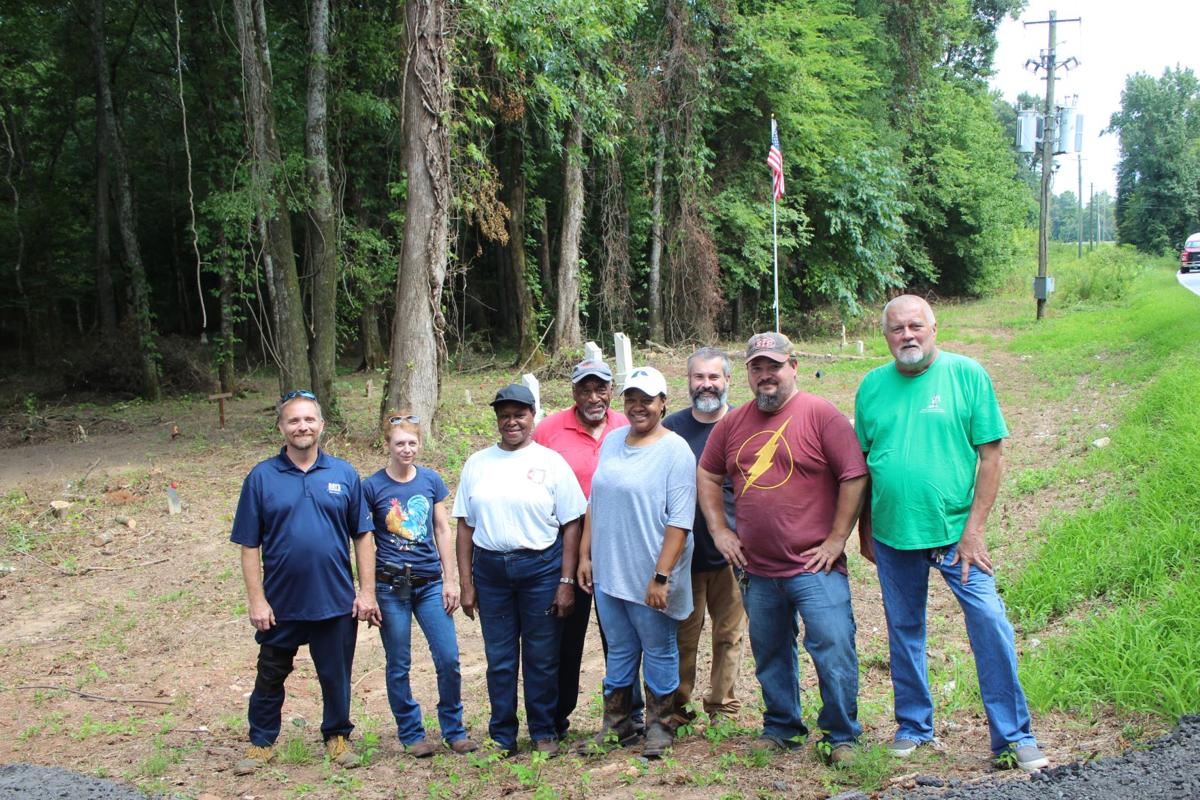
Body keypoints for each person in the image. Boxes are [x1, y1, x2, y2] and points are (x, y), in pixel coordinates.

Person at [854, 295, 1049, 772]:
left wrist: (974, 531)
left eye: (916, 326)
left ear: (934, 327)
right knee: (904, 632)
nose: (907, 336)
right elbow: (861, 466)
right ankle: (914, 726)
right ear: (886, 336)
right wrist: (864, 528)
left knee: (989, 623)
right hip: (894, 535)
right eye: (897, 329)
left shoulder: (967, 375)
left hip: (956, 536)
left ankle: (1014, 735)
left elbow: (991, 457)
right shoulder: (871, 387)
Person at [698, 333, 867, 765]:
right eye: (757, 367)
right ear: (749, 374)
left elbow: (854, 475)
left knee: (832, 647)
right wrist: (720, 530)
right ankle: (781, 726)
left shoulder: (821, 415)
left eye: (774, 366)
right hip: (757, 569)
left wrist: (835, 540)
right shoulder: (732, 424)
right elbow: (708, 474)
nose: (765, 375)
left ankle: (842, 735)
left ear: (793, 365)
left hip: (815, 565)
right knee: (770, 650)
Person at [230, 389, 380, 775]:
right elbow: (249, 545)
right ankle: (261, 742)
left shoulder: (343, 474)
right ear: (281, 427)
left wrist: (366, 592)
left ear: (321, 426)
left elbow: (363, 536)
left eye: (309, 419)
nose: (302, 426)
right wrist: (257, 601)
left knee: (335, 675)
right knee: (270, 675)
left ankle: (337, 736)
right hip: (281, 605)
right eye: (294, 420)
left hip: (334, 600)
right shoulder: (261, 477)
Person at [454, 384, 587, 757]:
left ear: (533, 416)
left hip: (541, 567)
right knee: (499, 658)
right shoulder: (477, 463)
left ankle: (543, 730)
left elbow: (571, 523)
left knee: (542, 656)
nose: (512, 421)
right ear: (497, 418)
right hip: (492, 570)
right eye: (505, 414)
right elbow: (465, 525)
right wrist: (467, 582)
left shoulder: (551, 462)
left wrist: (565, 580)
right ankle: (502, 735)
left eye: (519, 414)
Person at [578, 366, 696, 759]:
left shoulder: (674, 449)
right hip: (611, 570)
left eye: (647, 399)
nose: (638, 406)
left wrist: (661, 577)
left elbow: (680, 520)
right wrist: (585, 555)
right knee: (620, 649)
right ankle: (618, 724)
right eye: (632, 398)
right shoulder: (612, 442)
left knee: (659, 648)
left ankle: (660, 725)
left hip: (650, 573)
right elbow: (596, 500)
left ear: (663, 403)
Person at [362, 412, 477, 757]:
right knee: (399, 662)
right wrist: (366, 589)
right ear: (388, 445)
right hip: (391, 586)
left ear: (420, 444)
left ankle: (453, 729)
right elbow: (365, 538)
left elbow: (443, 529)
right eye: (400, 443)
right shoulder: (371, 487)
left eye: (412, 442)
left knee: (448, 658)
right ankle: (411, 733)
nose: (406, 449)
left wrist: (451, 580)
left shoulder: (430, 481)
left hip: (429, 583)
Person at [532, 359, 632, 738]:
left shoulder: (627, 426)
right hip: (566, 545)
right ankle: (556, 718)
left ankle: (626, 715)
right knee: (565, 634)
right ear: (573, 393)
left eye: (601, 388)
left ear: (610, 390)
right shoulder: (549, 430)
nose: (594, 397)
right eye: (585, 389)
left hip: (618, 544)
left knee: (620, 634)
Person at [662, 347, 746, 725]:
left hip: (735, 554)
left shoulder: (746, 424)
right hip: (684, 555)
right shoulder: (672, 430)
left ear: (728, 380)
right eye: (700, 377)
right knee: (684, 637)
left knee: (730, 636)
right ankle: (678, 708)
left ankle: (723, 707)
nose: (707, 384)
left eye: (714, 377)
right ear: (689, 381)